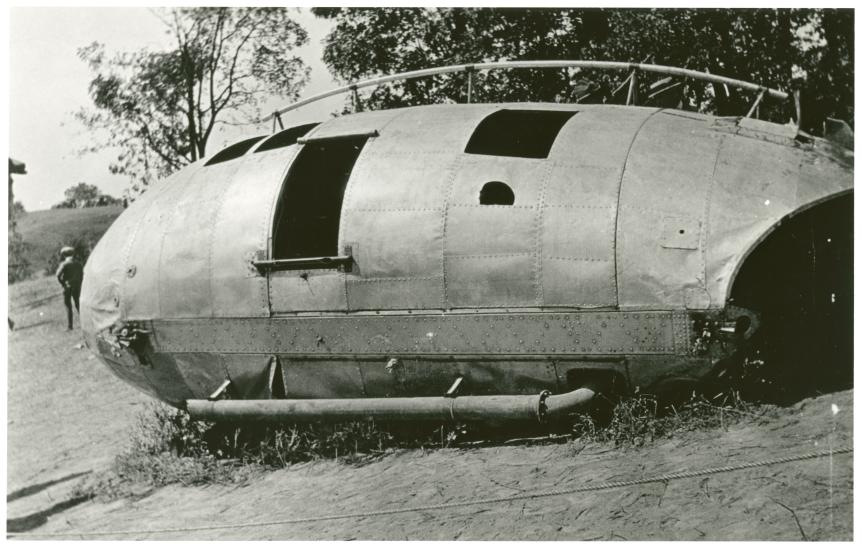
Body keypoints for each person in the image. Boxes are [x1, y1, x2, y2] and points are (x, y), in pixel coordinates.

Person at [56, 246, 83, 330]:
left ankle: (70, 326)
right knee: (78, 304)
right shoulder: (78, 264)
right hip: (77, 286)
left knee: (68, 306)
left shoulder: (64, 264)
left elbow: (58, 275)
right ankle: (85, 322)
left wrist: (63, 283)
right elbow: (82, 275)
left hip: (67, 287)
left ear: (64, 255)